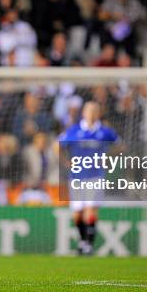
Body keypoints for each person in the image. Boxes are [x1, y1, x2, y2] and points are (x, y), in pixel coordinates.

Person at [60, 101, 119, 255]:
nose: (91, 114)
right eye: (89, 111)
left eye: (94, 111)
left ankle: (88, 244)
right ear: (84, 113)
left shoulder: (105, 132)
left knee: (90, 209)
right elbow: (57, 145)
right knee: (77, 212)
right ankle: (82, 241)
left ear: (98, 113)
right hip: (77, 177)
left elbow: (120, 146)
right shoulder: (75, 131)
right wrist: (66, 161)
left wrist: (109, 158)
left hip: (95, 176)